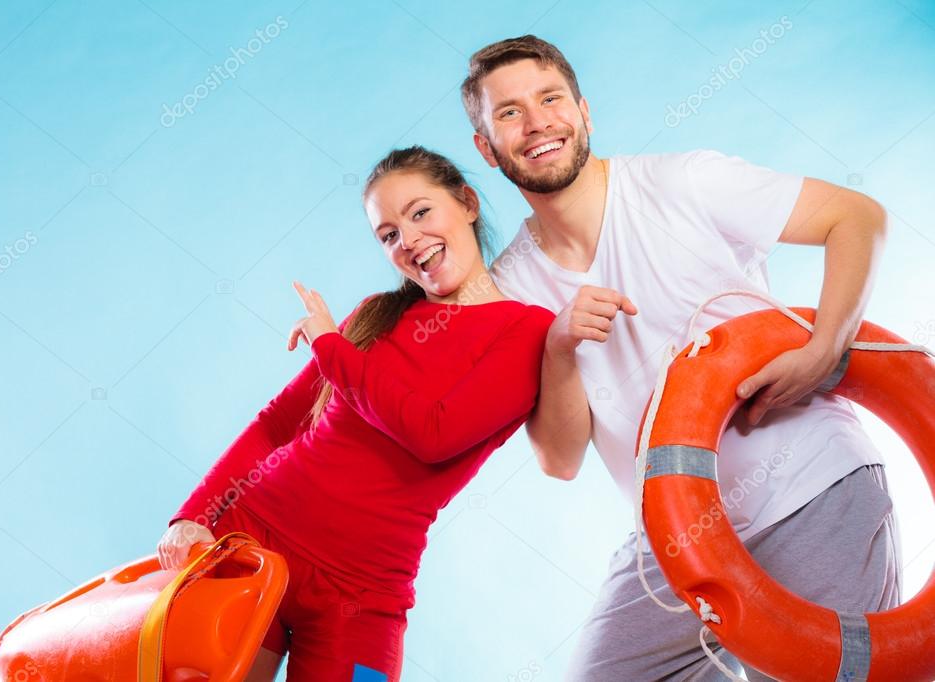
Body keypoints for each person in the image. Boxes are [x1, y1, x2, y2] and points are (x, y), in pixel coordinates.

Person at [460, 35, 901, 680]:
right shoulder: (511, 287)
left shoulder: (683, 182)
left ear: (583, 111)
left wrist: (824, 349)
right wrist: (558, 348)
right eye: (508, 113)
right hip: (676, 534)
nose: (536, 124)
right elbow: (559, 459)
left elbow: (856, 216)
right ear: (486, 149)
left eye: (550, 99)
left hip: (810, 485)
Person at [156, 145, 554, 682]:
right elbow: (276, 424)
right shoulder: (374, 314)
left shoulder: (526, 331)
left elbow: (434, 434)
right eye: (388, 234)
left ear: (467, 203)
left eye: (420, 213)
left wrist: (332, 348)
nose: (409, 241)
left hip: (363, 591)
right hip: (249, 537)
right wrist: (194, 515)